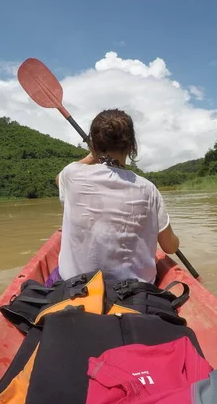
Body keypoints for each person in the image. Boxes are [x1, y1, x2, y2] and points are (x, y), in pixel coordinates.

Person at [54, 108, 180, 284]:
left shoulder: (72, 174)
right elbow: (169, 246)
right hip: (133, 294)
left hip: (76, 288)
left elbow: (58, 179)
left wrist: (94, 153)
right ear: (132, 147)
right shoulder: (148, 189)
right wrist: (176, 241)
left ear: (94, 146)